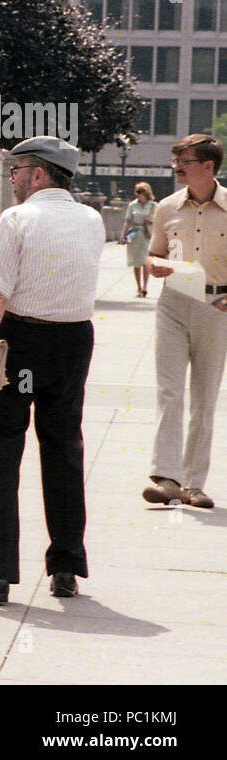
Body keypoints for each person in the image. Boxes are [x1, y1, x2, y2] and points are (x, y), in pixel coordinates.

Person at [0, 136, 105, 606]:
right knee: (64, 450)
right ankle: (66, 566)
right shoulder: (91, 219)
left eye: (16, 169)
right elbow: (48, 258)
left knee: (4, 451)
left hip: (20, 341)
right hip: (73, 340)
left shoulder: (17, 218)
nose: (12, 178)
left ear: (38, 174)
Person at [142, 134, 227, 510]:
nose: (176, 167)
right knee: (170, 391)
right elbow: (153, 254)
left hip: (217, 305)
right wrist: (154, 266)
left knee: (204, 398)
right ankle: (167, 478)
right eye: (175, 160)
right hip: (174, 301)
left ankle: (194, 484)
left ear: (208, 167)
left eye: (185, 161)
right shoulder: (166, 207)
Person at [121, 182, 156, 298]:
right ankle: (139, 287)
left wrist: (150, 220)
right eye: (136, 192)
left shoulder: (153, 206)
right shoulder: (132, 205)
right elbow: (128, 220)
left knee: (146, 262)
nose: (138, 195)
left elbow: (159, 220)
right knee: (136, 262)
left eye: (140, 192)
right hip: (135, 234)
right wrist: (123, 235)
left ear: (146, 193)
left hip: (147, 235)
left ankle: (145, 286)